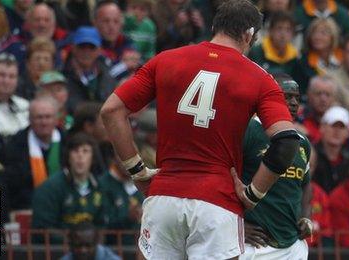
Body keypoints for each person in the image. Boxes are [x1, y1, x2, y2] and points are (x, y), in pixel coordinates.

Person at [100, 0, 300, 259]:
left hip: (165, 195)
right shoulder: (261, 78)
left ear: (214, 26)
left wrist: (138, 171)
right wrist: (253, 194)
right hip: (216, 202)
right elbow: (286, 142)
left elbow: (111, 111)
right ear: (250, 34)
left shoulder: (165, 59)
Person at [240, 73, 311, 259]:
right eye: (287, 96)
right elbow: (223, 177)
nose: (294, 102)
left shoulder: (302, 142)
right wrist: (234, 226)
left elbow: (305, 184)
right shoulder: (247, 130)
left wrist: (306, 217)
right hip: (253, 245)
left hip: (292, 245)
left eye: (297, 97)